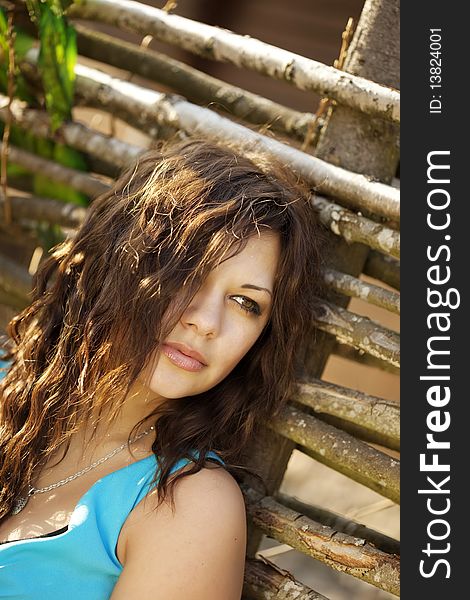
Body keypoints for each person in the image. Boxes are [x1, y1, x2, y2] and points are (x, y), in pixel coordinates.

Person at [0, 138, 325, 599]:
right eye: (189, 273)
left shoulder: (186, 507)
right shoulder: (7, 384)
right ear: (123, 260)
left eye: (245, 303)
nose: (206, 322)